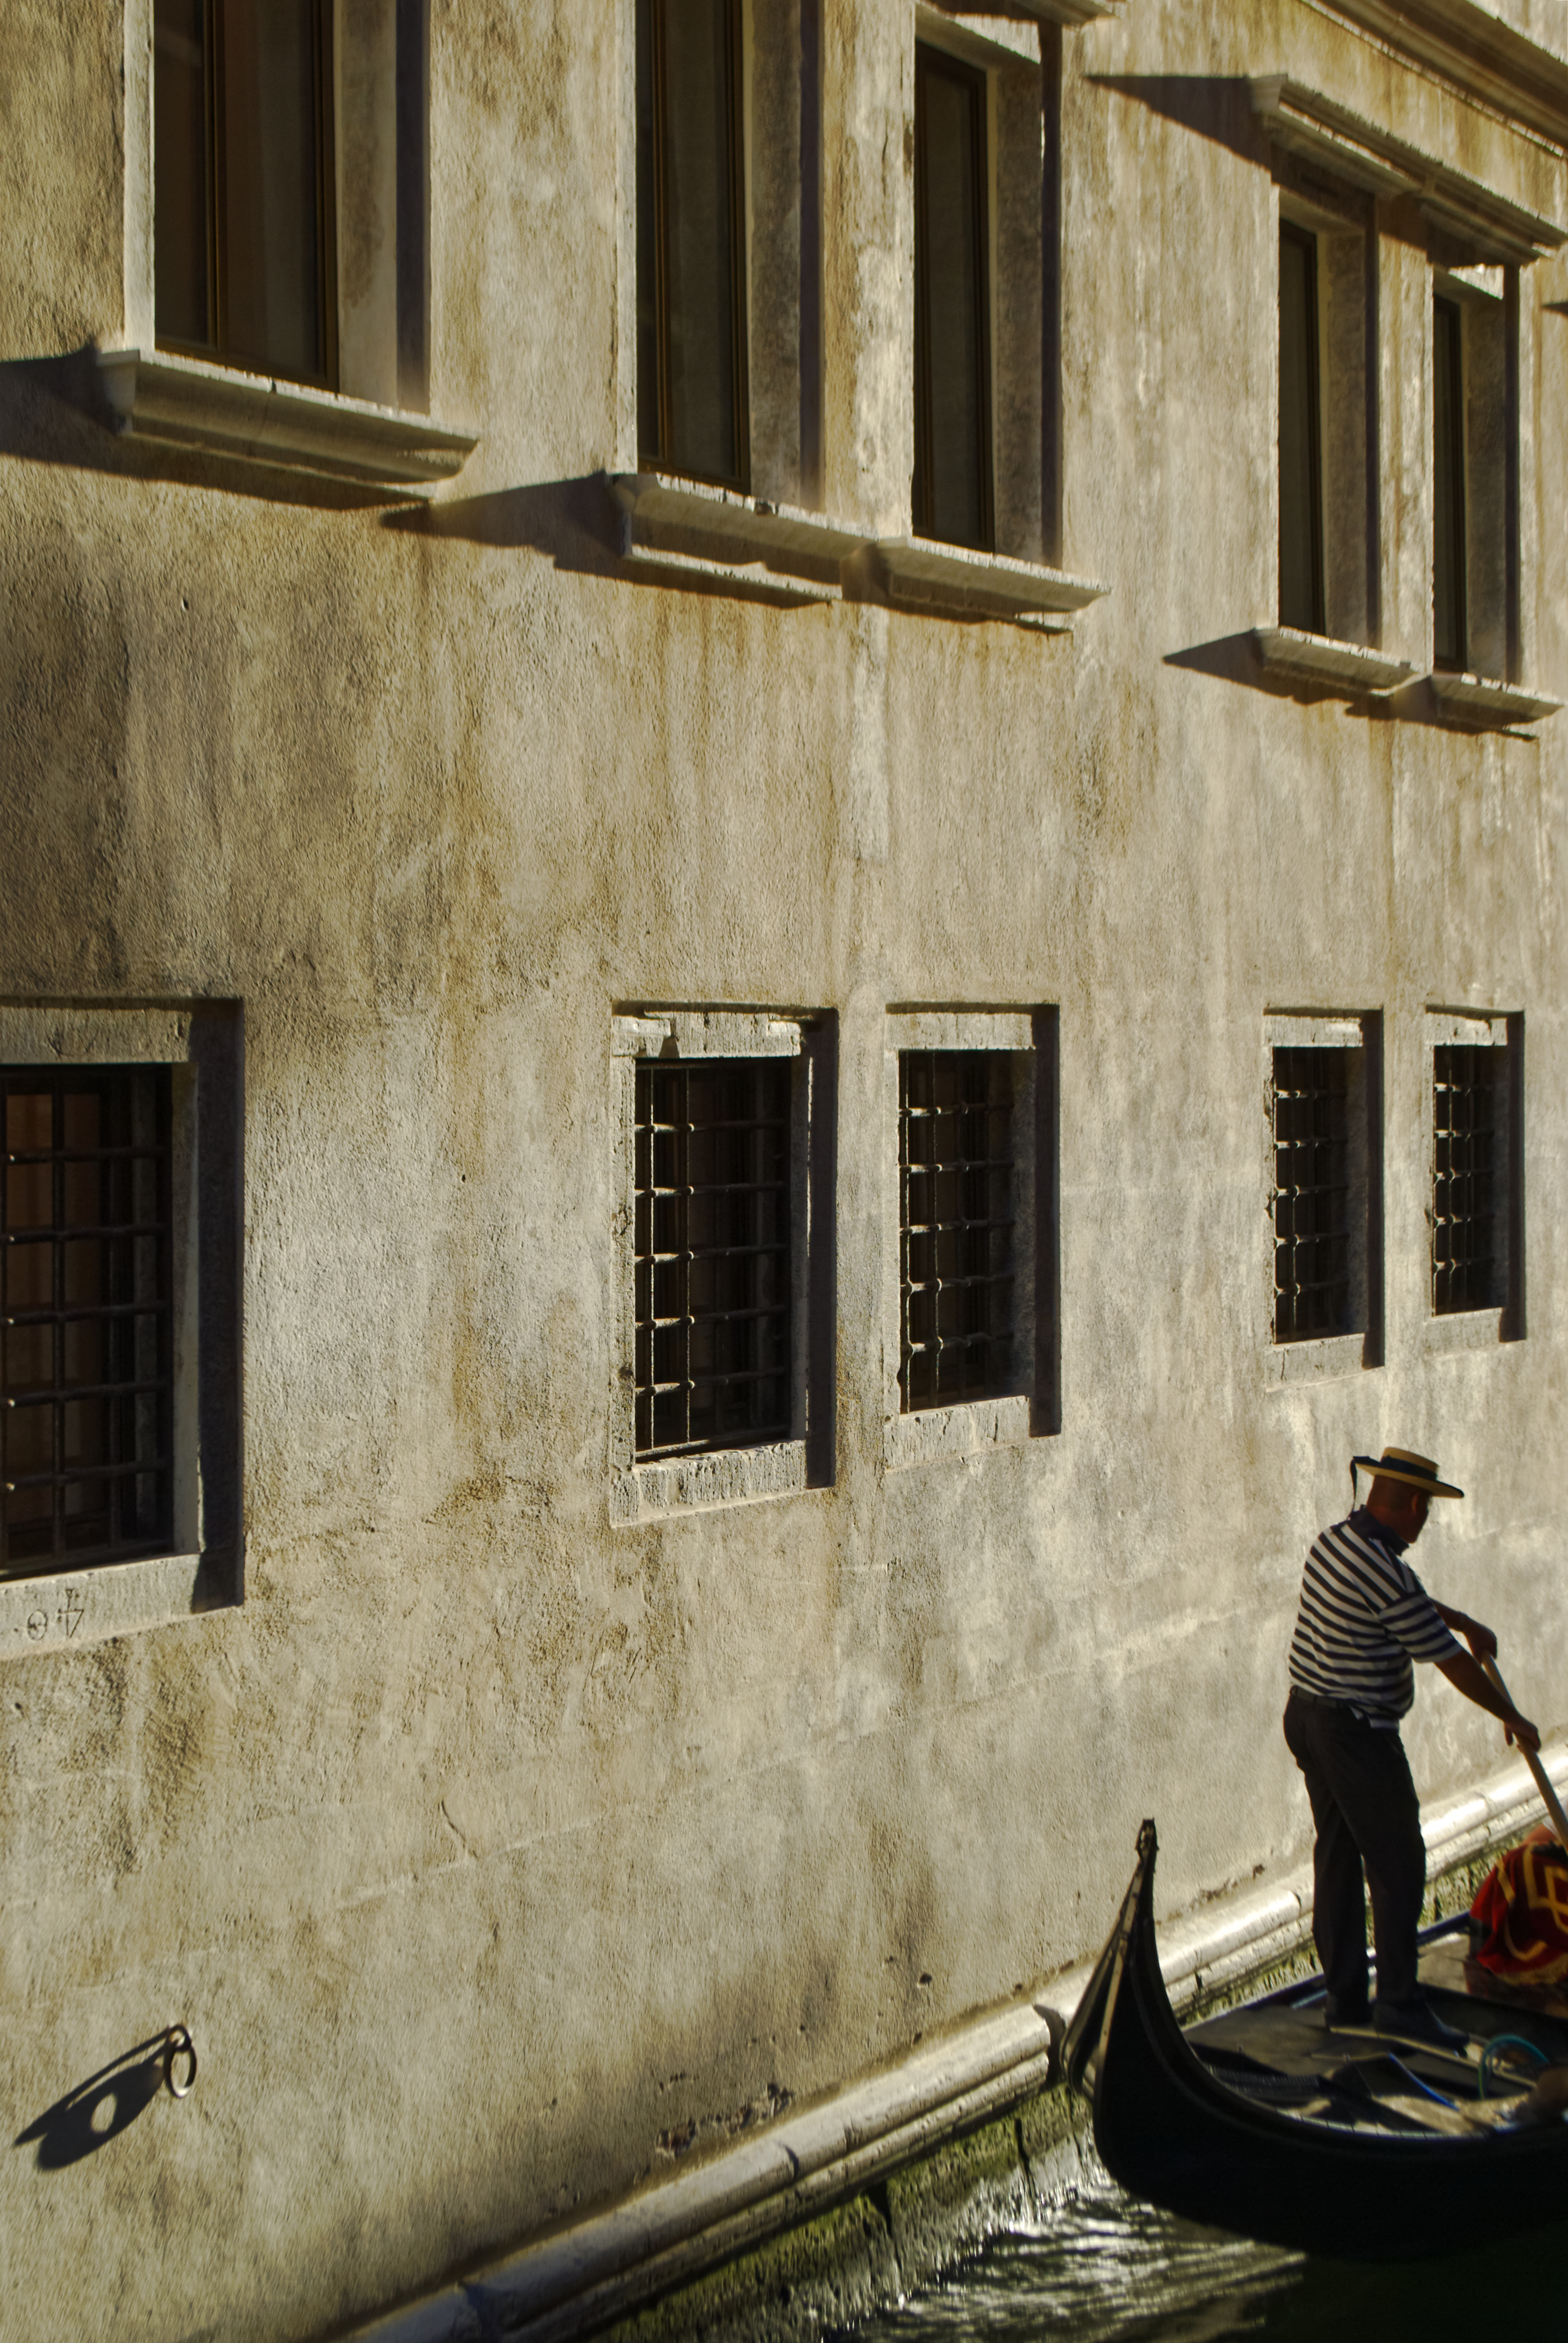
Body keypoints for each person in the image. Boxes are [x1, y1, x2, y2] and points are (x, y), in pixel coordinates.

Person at [1283, 1445, 1540, 2050]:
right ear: (1411, 1504)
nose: (1426, 1523)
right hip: (1355, 1734)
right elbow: (1448, 1662)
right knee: (1399, 1864)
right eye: (1426, 1510)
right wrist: (1513, 1717)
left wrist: (1459, 1618)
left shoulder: (1334, 1542)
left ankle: (1346, 2002)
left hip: (1307, 1718)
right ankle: (1399, 2004)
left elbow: (1409, 1608)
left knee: (1340, 1859)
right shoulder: (1388, 1570)